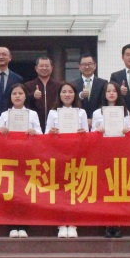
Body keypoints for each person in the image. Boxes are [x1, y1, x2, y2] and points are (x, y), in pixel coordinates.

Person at [0, 83, 41, 238]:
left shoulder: (32, 114)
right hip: (9, 158)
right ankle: (11, 225)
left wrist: (34, 132)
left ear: (25, 96)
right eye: (14, 93)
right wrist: (0, 131)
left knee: (24, 191)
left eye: (20, 93)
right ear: (10, 97)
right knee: (10, 191)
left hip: (27, 157)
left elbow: (41, 133)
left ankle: (23, 225)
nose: (17, 96)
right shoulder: (4, 115)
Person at [45, 81, 89, 238]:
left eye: (70, 92)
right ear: (59, 95)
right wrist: (52, 132)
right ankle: (61, 223)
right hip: (58, 155)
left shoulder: (81, 112)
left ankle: (73, 222)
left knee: (75, 189)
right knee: (60, 189)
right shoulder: (53, 113)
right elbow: (45, 134)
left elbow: (87, 134)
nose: (67, 94)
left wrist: (82, 133)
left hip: (76, 155)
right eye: (64, 92)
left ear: (75, 95)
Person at [91, 81, 130, 238]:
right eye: (108, 91)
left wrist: (127, 130)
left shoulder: (125, 112)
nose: (111, 93)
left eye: (114, 90)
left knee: (119, 187)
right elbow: (91, 133)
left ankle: (118, 222)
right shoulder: (97, 113)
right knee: (105, 188)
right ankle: (107, 223)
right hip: (103, 153)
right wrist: (98, 130)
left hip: (120, 152)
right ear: (104, 94)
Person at [24, 55, 60, 132]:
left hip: (54, 126)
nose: (44, 68)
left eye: (47, 66)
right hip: (34, 126)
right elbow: (23, 103)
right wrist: (32, 96)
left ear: (51, 68)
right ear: (36, 68)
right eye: (41, 66)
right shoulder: (28, 85)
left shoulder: (58, 86)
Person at [72, 53, 107, 119]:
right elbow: (71, 103)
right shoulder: (73, 84)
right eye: (84, 64)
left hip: (98, 120)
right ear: (79, 67)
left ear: (95, 65)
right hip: (79, 120)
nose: (87, 67)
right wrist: (80, 96)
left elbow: (104, 102)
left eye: (89, 64)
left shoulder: (103, 83)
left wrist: (94, 119)